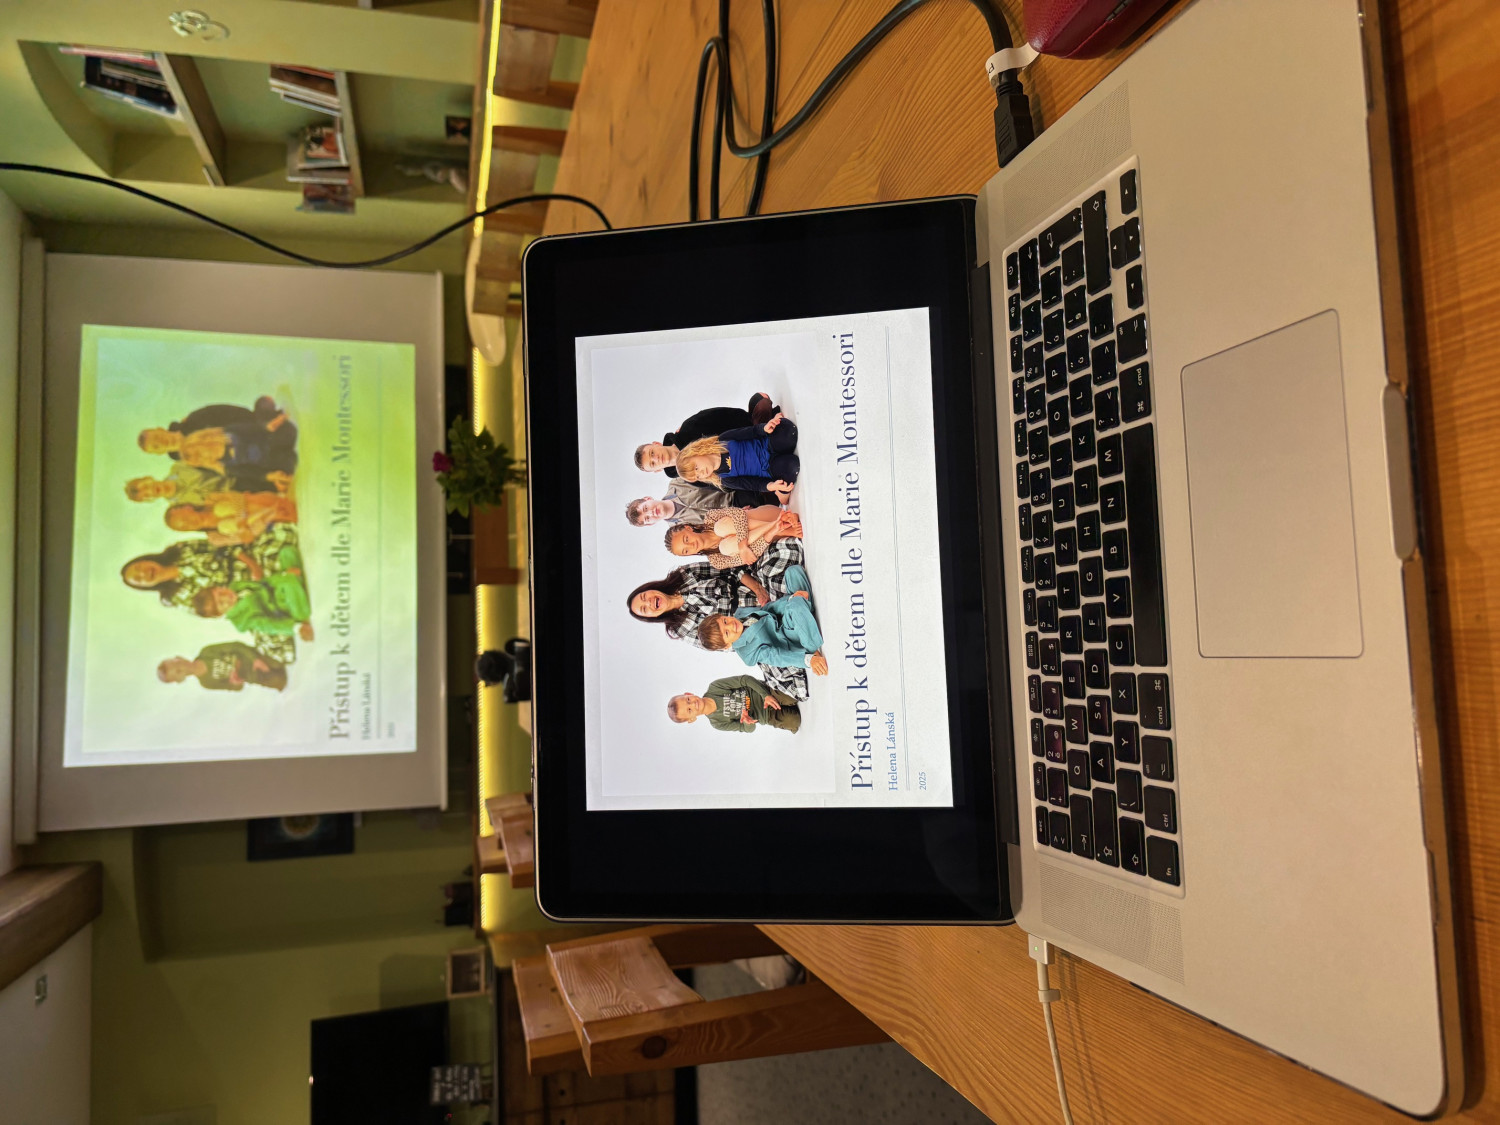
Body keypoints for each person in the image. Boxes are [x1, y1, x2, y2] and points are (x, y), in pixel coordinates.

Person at [624, 540, 811, 699]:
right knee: (781, 663)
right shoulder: (680, 629)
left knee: (780, 558)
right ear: (652, 617)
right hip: (751, 628)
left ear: (650, 589)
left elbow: (729, 568)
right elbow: (722, 642)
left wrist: (757, 589)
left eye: (644, 597)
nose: (649, 603)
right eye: (644, 609)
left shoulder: (683, 576)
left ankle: (795, 607)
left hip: (756, 589)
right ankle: (797, 616)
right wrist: (752, 629)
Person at [138, 396, 298, 490]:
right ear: (159, 453)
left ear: (160, 429)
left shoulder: (195, 419)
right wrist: (267, 477)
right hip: (253, 458)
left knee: (272, 415)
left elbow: (233, 413)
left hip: (254, 429)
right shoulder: (191, 462)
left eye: (157, 437)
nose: (162, 442)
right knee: (286, 465)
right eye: (157, 446)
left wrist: (262, 428)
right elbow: (227, 472)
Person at [698, 563, 827, 675]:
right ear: (727, 645)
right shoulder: (748, 653)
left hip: (787, 616)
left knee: (793, 572)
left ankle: (804, 609)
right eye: (727, 633)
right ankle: (811, 645)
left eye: (725, 621)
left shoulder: (740, 615)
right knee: (795, 606)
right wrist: (808, 659)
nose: (731, 626)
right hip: (791, 635)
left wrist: (791, 598)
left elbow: (769, 609)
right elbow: (778, 656)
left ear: (722, 616)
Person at [636, 392, 778, 478]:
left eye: (652, 453)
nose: (656, 458)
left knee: (762, 403)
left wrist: (753, 427)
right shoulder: (688, 476)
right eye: (653, 463)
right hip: (750, 466)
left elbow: (721, 415)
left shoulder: (687, 429)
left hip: (747, 435)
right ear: (657, 470)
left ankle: (763, 420)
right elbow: (721, 484)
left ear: (656, 444)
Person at [194, 548, 314, 641]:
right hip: (281, 607)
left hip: (276, 590)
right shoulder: (242, 620)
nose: (226, 597)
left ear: (219, 587)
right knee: (288, 584)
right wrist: (296, 628)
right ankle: (301, 614)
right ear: (221, 613)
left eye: (221, 592)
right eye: (221, 603)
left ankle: (296, 583)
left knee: (287, 552)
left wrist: (283, 574)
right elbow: (269, 625)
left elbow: (264, 583)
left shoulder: (235, 586)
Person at [675, 413, 799, 502]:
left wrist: (765, 428)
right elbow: (752, 484)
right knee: (792, 466)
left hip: (767, 444)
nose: (701, 473)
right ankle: (782, 493)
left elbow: (751, 432)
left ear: (696, 452)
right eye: (697, 477)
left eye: (696, 468)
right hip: (769, 468)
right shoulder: (725, 479)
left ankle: (781, 442)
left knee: (788, 431)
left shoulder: (723, 440)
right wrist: (771, 486)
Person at [666, 507, 802, 570]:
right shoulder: (716, 561)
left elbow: (739, 514)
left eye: (686, 539)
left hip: (767, 516)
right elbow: (750, 556)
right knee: (725, 548)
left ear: (688, 528)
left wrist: (742, 545)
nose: (690, 546)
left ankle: (780, 523)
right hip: (772, 537)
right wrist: (772, 531)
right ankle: (781, 526)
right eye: (686, 551)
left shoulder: (710, 517)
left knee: (720, 527)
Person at [668, 675, 801, 733]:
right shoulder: (717, 723)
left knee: (793, 695)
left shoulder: (715, 688)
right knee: (794, 721)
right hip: (767, 716)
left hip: (766, 692)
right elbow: (747, 729)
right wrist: (747, 721)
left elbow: (745, 679)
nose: (693, 704)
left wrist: (765, 695)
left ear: (689, 694)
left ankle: (787, 699)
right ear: (691, 719)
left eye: (688, 700)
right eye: (689, 710)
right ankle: (788, 708)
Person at [624, 478, 776, 527]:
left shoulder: (676, 483)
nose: (651, 513)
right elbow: (710, 532)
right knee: (771, 512)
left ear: (648, 498)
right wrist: (736, 517)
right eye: (647, 518)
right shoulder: (677, 529)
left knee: (771, 490)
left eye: (646, 508)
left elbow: (710, 478)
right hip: (735, 516)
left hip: (734, 493)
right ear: (651, 524)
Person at [165, 491, 298, 547]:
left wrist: (241, 521)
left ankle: (276, 510)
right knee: (227, 527)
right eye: (184, 527)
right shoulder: (214, 538)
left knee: (224, 508)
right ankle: (275, 512)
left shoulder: (212, 499)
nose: (189, 523)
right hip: (263, 525)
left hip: (260, 503)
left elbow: (238, 497)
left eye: (185, 518)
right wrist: (243, 528)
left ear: (187, 508)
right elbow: (245, 538)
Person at [157, 642, 287, 692]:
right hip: (255, 676)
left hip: (255, 657)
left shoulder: (207, 652)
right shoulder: (207, 683)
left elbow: (236, 646)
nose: (183, 667)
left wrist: (255, 660)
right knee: (280, 683)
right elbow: (236, 688)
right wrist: (235, 682)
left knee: (281, 663)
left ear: (180, 657)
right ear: (180, 679)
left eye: (178, 663)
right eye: (178, 671)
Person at [126, 462, 236, 507]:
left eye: (146, 486)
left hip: (235, 472)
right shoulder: (179, 508)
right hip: (235, 500)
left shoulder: (179, 467)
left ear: (148, 478)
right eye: (147, 495)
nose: (151, 491)